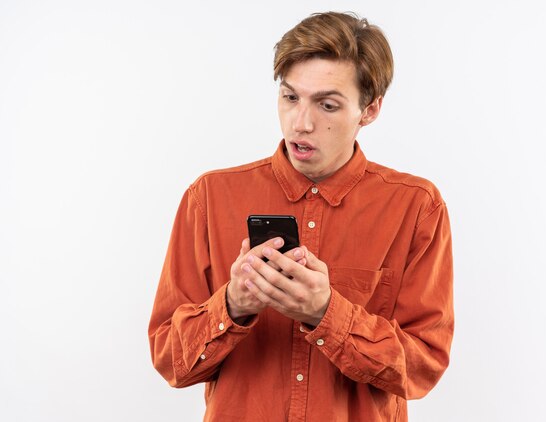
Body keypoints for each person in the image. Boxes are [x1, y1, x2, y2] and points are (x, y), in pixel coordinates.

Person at [149, 11, 454, 422]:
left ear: (370, 109)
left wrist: (327, 312)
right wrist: (233, 304)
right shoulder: (209, 197)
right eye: (290, 97)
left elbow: (422, 368)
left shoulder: (416, 207)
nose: (301, 123)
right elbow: (170, 361)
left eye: (327, 104)